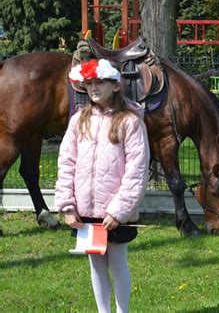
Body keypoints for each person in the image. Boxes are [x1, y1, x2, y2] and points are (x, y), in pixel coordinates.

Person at [55, 58, 150, 313]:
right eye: (89, 84)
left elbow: (137, 169)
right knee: (95, 265)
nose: (93, 88)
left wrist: (117, 211)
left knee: (118, 263)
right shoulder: (79, 120)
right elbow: (67, 162)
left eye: (99, 83)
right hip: (85, 211)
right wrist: (67, 205)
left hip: (115, 214)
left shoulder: (130, 122)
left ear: (116, 85)